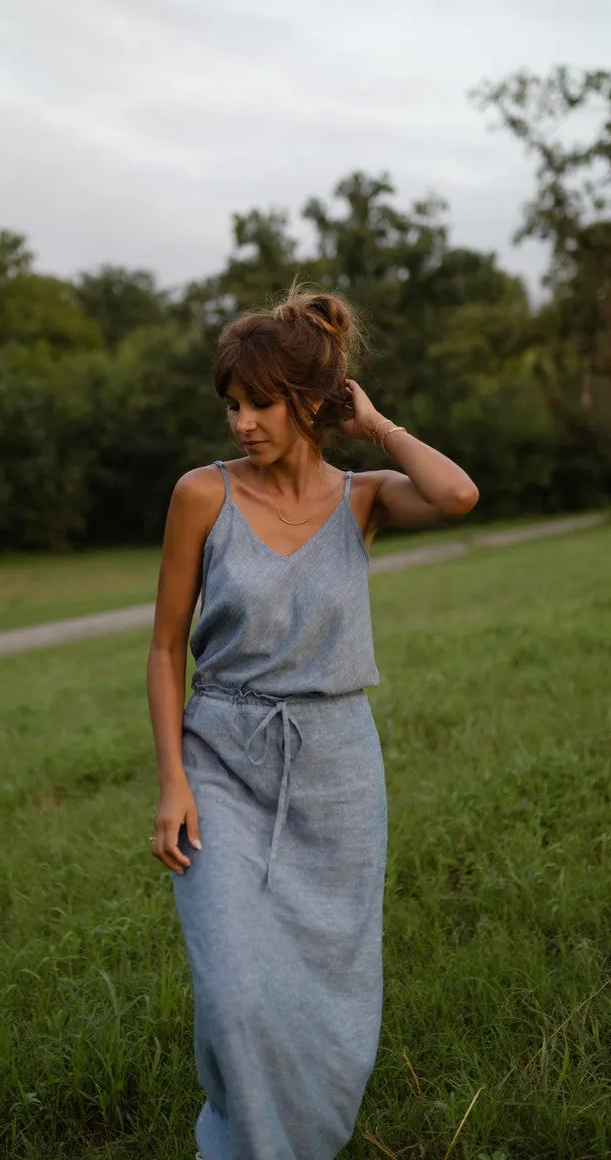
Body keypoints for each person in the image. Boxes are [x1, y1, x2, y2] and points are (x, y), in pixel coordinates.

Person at [147, 290, 479, 1160]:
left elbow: (456, 494)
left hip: (336, 771)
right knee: (234, 995)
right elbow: (164, 649)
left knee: (330, 988)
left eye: (260, 402)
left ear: (309, 402)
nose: (242, 421)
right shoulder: (201, 496)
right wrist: (173, 781)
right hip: (220, 757)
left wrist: (373, 424)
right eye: (231, 403)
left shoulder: (363, 499)